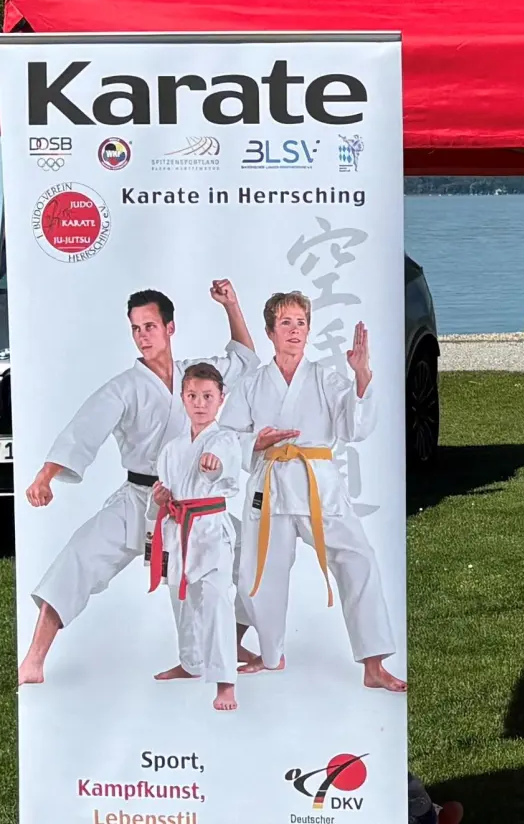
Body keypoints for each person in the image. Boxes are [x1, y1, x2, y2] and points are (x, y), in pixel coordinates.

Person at [17, 282, 258, 686]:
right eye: (136, 328)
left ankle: (228, 644)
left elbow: (245, 359)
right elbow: (85, 428)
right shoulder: (124, 387)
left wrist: (231, 304)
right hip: (140, 501)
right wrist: (45, 476)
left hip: (197, 506)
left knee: (249, 564)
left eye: (150, 326)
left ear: (170, 328)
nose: (143, 335)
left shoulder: (194, 376)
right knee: (79, 557)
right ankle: (34, 661)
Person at [223, 292, 406, 692]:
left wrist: (362, 375)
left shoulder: (327, 377)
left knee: (359, 559)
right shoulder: (251, 382)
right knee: (260, 571)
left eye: (301, 322)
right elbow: (225, 436)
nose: (294, 330)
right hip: (269, 484)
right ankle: (270, 655)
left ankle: (374, 665)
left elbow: (355, 429)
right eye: (285, 323)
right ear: (270, 332)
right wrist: (256, 442)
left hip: (318, 484)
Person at [149, 362, 242, 711]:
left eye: (207, 396)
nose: (200, 403)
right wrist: (161, 499)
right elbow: (166, 492)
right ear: (182, 398)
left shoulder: (223, 439)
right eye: (192, 396)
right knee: (181, 601)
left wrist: (214, 467)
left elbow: (223, 465)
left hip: (211, 530)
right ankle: (190, 663)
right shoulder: (172, 448)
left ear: (221, 399)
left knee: (217, 600)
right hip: (179, 529)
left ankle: (225, 683)